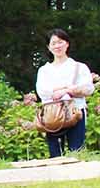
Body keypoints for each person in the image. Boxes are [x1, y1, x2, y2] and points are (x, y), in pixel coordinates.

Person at [33, 29, 93, 157]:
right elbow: (43, 92)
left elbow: (88, 89)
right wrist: (67, 88)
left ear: (67, 44)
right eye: (53, 43)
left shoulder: (79, 67)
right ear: (48, 47)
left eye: (60, 42)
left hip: (75, 112)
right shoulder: (44, 71)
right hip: (52, 114)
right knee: (55, 153)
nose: (57, 46)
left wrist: (65, 90)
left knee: (77, 151)